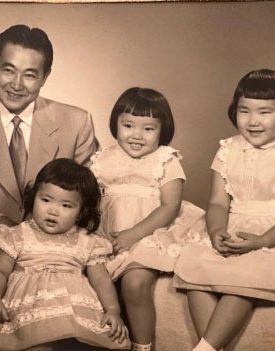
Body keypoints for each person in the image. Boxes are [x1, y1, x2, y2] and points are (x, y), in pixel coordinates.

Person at [173, 69, 275, 351]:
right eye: (245, 111)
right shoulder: (227, 149)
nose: (253, 121)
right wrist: (217, 231)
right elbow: (218, 202)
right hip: (232, 225)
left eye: (264, 112)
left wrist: (262, 241)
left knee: (246, 274)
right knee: (196, 271)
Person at [0, 24, 100, 241]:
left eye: (30, 75)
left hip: (59, 253)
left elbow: (90, 197)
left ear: (45, 77)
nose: (16, 85)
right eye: (8, 70)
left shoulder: (77, 122)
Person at [0, 159, 131, 351]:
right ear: (34, 197)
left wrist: (113, 310)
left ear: (80, 212)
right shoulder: (18, 234)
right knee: (36, 343)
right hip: (28, 306)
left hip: (72, 308)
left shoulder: (88, 241)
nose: (53, 211)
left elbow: (102, 280)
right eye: (45, 200)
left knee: (83, 343)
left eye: (66, 205)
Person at [90, 88, 205, 351]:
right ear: (115, 123)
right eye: (128, 125)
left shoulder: (165, 160)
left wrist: (134, 234)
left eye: (148, 129)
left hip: (151, 231)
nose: (137, 135)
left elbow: (170, 207)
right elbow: (89, 201)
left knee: (135, 282)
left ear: (162, 130)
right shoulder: (101, 159)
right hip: (107, 234)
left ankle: (143, 346)